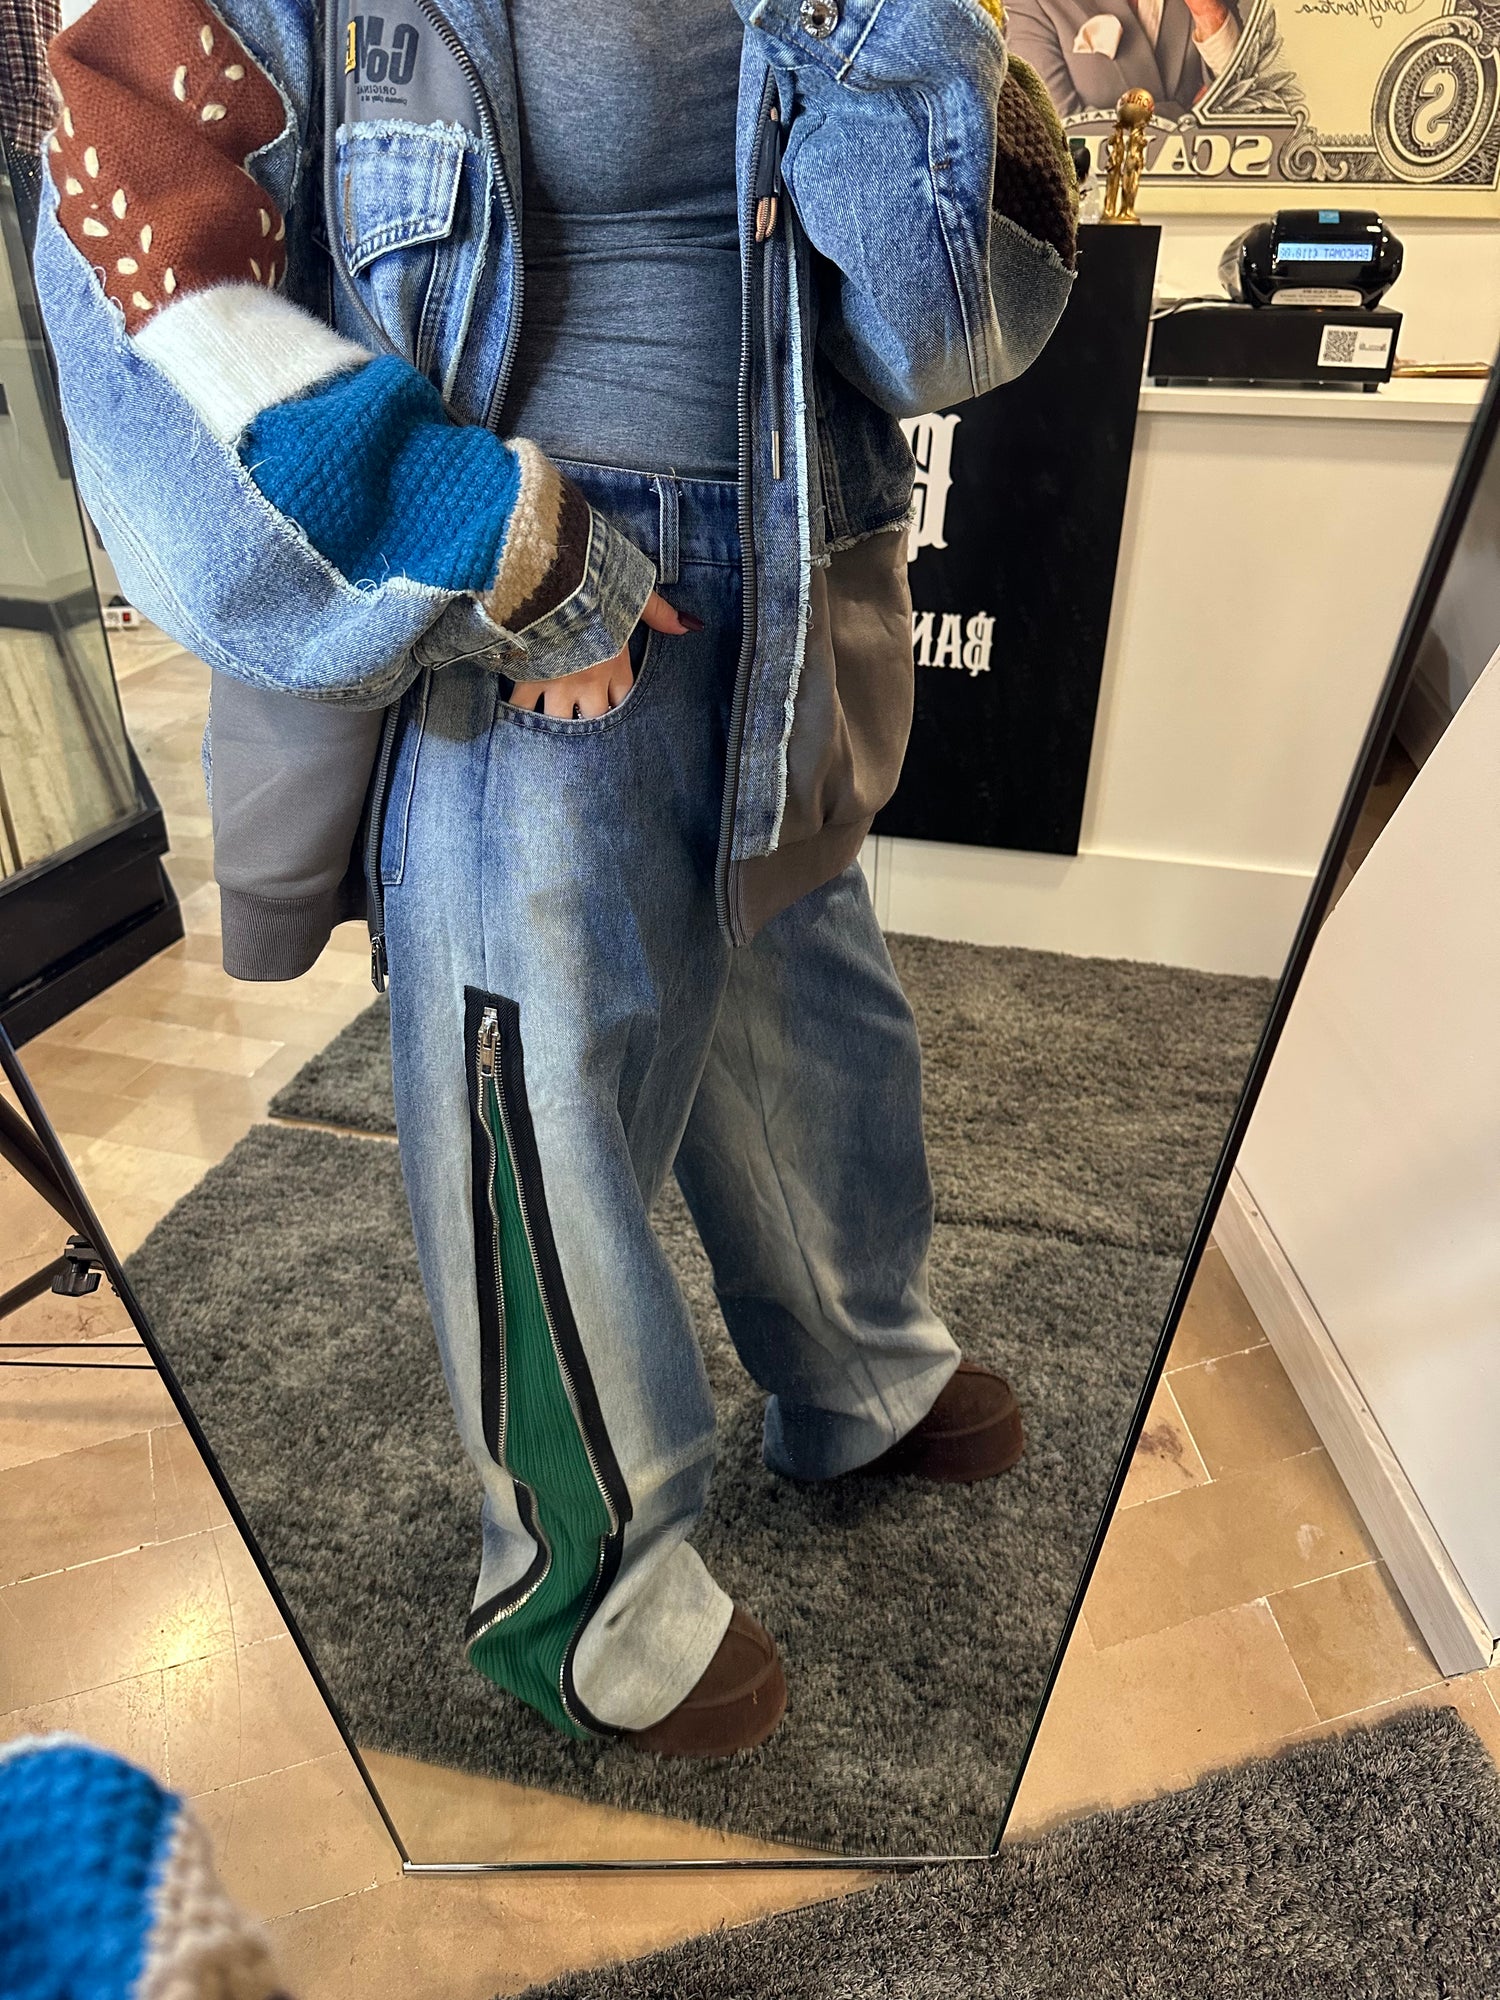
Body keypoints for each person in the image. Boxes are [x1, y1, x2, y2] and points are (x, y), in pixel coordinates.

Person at [36, 0, 1077, 1758]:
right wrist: (487, 546)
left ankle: (857, 1361)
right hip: (514, 606)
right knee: (542, 1079)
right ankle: (586, 1592)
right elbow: (133, 242)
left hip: (789, 566)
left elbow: (949, 326)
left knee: (807, 1014)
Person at [1006, 0, 1241, 123]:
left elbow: (1246, 108)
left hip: (1201, 196)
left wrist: (1208, 12)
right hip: (1093, 197)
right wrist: (1183, 116)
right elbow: (1058, 134)